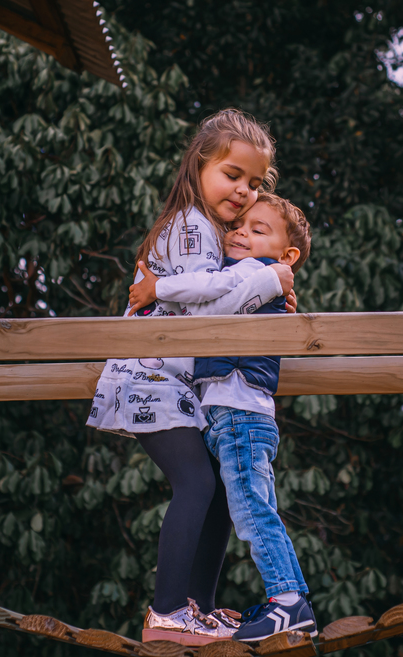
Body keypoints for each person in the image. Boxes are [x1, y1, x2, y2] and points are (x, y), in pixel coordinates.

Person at [88, 109, 294, 646]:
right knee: (199, 482)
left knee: (222, 489)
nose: (244, 191)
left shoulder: (217, 235)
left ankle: (196, 610)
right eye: (233, 175)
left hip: (175, 386)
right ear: (199, 165)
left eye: (254, 183)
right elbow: (211, 310)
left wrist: (269, 283)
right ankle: (167, 614)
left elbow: (226, 293)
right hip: (147, 377)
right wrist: (269, 279)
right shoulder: (188, 225)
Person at [126, 194, 317, 642]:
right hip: (232, 415)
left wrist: (159, 289)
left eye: (258, 229)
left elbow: (208, 296)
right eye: (240, 226)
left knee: (252, 509)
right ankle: (276, 601)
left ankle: (288, 601)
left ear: (286, 255)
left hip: (239, 413)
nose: (241, 233)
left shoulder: (256, 273)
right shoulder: (262, 278)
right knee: (245, 506)